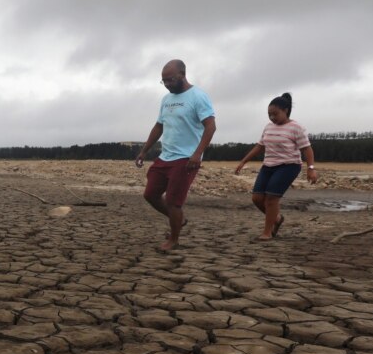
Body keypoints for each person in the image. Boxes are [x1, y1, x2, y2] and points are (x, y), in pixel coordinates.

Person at [134, 59, 217, 251]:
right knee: (151, 194)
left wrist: (197, 154)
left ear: (182, 74)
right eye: (164, 81)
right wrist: (144, 150)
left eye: (170, 80)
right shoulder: (166, 100)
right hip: (166, 156)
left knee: (173, 201)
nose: (167, 85)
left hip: (186, 158)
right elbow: (159, 126)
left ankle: (174, 239)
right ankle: (179, 220)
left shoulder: (198, 96)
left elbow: (211, 126)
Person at [233, 92, 319, 240]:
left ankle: (267, 232)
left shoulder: (296, 127)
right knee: (257, 198)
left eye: (275, 114)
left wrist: (310, 169)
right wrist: (243, 161)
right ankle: (277, 219)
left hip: (288, 166)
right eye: (269, 114)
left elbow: (307, 149)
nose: (272, 118)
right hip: (268, 166)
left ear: (285, 111)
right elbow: (259, 146)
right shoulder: (268, 127)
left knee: (271, 199)